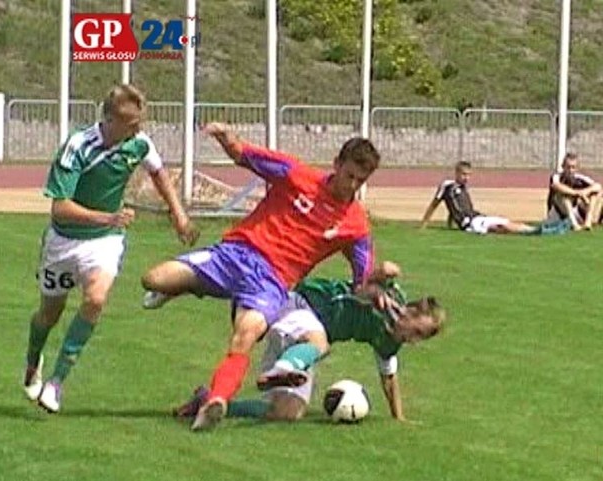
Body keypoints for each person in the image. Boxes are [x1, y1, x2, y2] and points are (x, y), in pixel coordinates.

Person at [141, 122, 381, 430]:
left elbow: (362, 280)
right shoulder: (296, 174)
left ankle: (217, 400)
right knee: (153, 279)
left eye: (360, 181)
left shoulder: (356, 224)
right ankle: (182, 286)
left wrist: (374, 289)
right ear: (336, 164)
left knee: (246, 335)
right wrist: (226, 137)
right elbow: (243, 154)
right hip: (236, 254)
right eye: (349, 175)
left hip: (272, 283)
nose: (351, 185)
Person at [22, 84, 199, 413]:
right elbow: (60, 207)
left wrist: (179, 214)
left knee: (96, 298)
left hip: (104, 241)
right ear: (109, 120)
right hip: (63, 242)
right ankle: (33, 362)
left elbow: (158, 172)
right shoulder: (77, 147)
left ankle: (57, 382)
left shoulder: (139, 143)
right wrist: (109, 216)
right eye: (131, 124)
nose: (139, 130)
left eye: (140, 123)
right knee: (49, 314)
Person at [174, 264, 445, 424]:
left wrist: (399, 418)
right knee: (321, 343)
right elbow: (377, 275)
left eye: (421, 337)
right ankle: (284, 367)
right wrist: (385, 273)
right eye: (417, 331)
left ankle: (209, 402)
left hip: (306, 334)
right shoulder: (391, 297)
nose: (414, 339)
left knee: (287, 413)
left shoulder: (390, 341)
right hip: (300, 304)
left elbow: (389, 377)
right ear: (410, 312)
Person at [420, 161, 570, 235]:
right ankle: (536, 231)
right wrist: (424, 225)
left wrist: (450, 223)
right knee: (501, 225)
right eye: (463, 174)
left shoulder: (463, 189)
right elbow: (435, 204)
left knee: (504, 222)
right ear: (456, 173)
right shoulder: (447, 186)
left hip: (476, 217)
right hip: (471, 223)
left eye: (468, 175)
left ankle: (537, 229)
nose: (466, 178)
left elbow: (454, 208)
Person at [546, 152, 603, 231]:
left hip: (574, 212)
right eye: (568, 167)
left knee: (593, 194)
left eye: (573, 167)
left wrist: (585, 192)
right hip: (557, 214)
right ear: (563, 167)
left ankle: (588, 222)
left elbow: (598, 186)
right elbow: (556, 186)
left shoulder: (579, 178)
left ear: (577, 168)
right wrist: (578, 193)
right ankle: (574, 225)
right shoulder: (557, 176)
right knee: (563, 196)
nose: (570, 170)